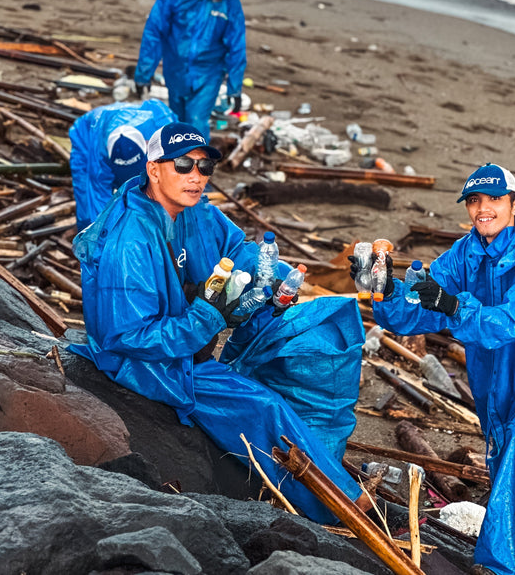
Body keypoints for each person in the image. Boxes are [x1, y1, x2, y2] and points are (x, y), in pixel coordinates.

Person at [70, 122, 370, 523]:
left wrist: (272, 272)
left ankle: (320, 459)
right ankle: (336, 505)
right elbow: (126, 337)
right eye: (182, 165)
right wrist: (207, 317)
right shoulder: (131, 241)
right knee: (262, 407)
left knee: (313, 331)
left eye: (204, 167)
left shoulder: (194, 213)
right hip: (146, 363)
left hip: (189, 338)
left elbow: (238, 248)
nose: (195, 176)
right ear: (153, 168)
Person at [365, 163, 515, 575]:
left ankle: (502, 567)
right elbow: (420, 310)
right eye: (474, 200)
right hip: (495, 380)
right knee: (503, 457)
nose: (482, 208)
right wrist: (385, 289)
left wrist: (452, 304)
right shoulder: (464, 253)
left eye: (494, 199)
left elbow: (506, 325)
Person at [133, 0, 246, 141]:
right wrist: (144, 74)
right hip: (175, 69)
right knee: (177, 121)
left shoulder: (230, 3)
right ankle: (179, 165)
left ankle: (199, 166)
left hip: (209, 72)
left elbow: (237, 46)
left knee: (196, 121)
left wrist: (235, 87)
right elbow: (154, 33)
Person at [69, 98, 175, 231]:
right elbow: (98, 196)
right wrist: (99, 235)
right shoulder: (99, 154)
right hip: (86, 137)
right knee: (87, 200)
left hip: (121, 124)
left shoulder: (162, 130)